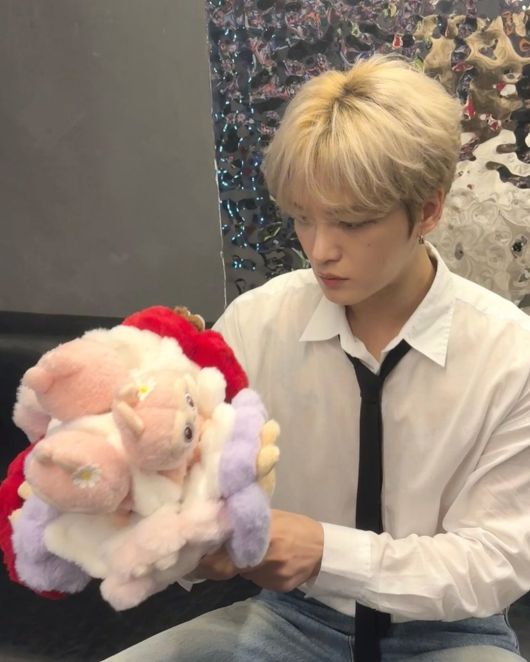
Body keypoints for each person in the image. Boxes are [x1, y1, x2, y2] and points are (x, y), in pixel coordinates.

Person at [104, 56, 530, 661]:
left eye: (352, 223)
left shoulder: (511, 358)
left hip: (450, 631)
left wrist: (327, 553)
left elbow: (495, 560)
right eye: (304, 219)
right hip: (293, 619)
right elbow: (183, 476)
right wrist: (188, 543)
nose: (320, 250)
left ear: (428, 211)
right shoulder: (258, 323)